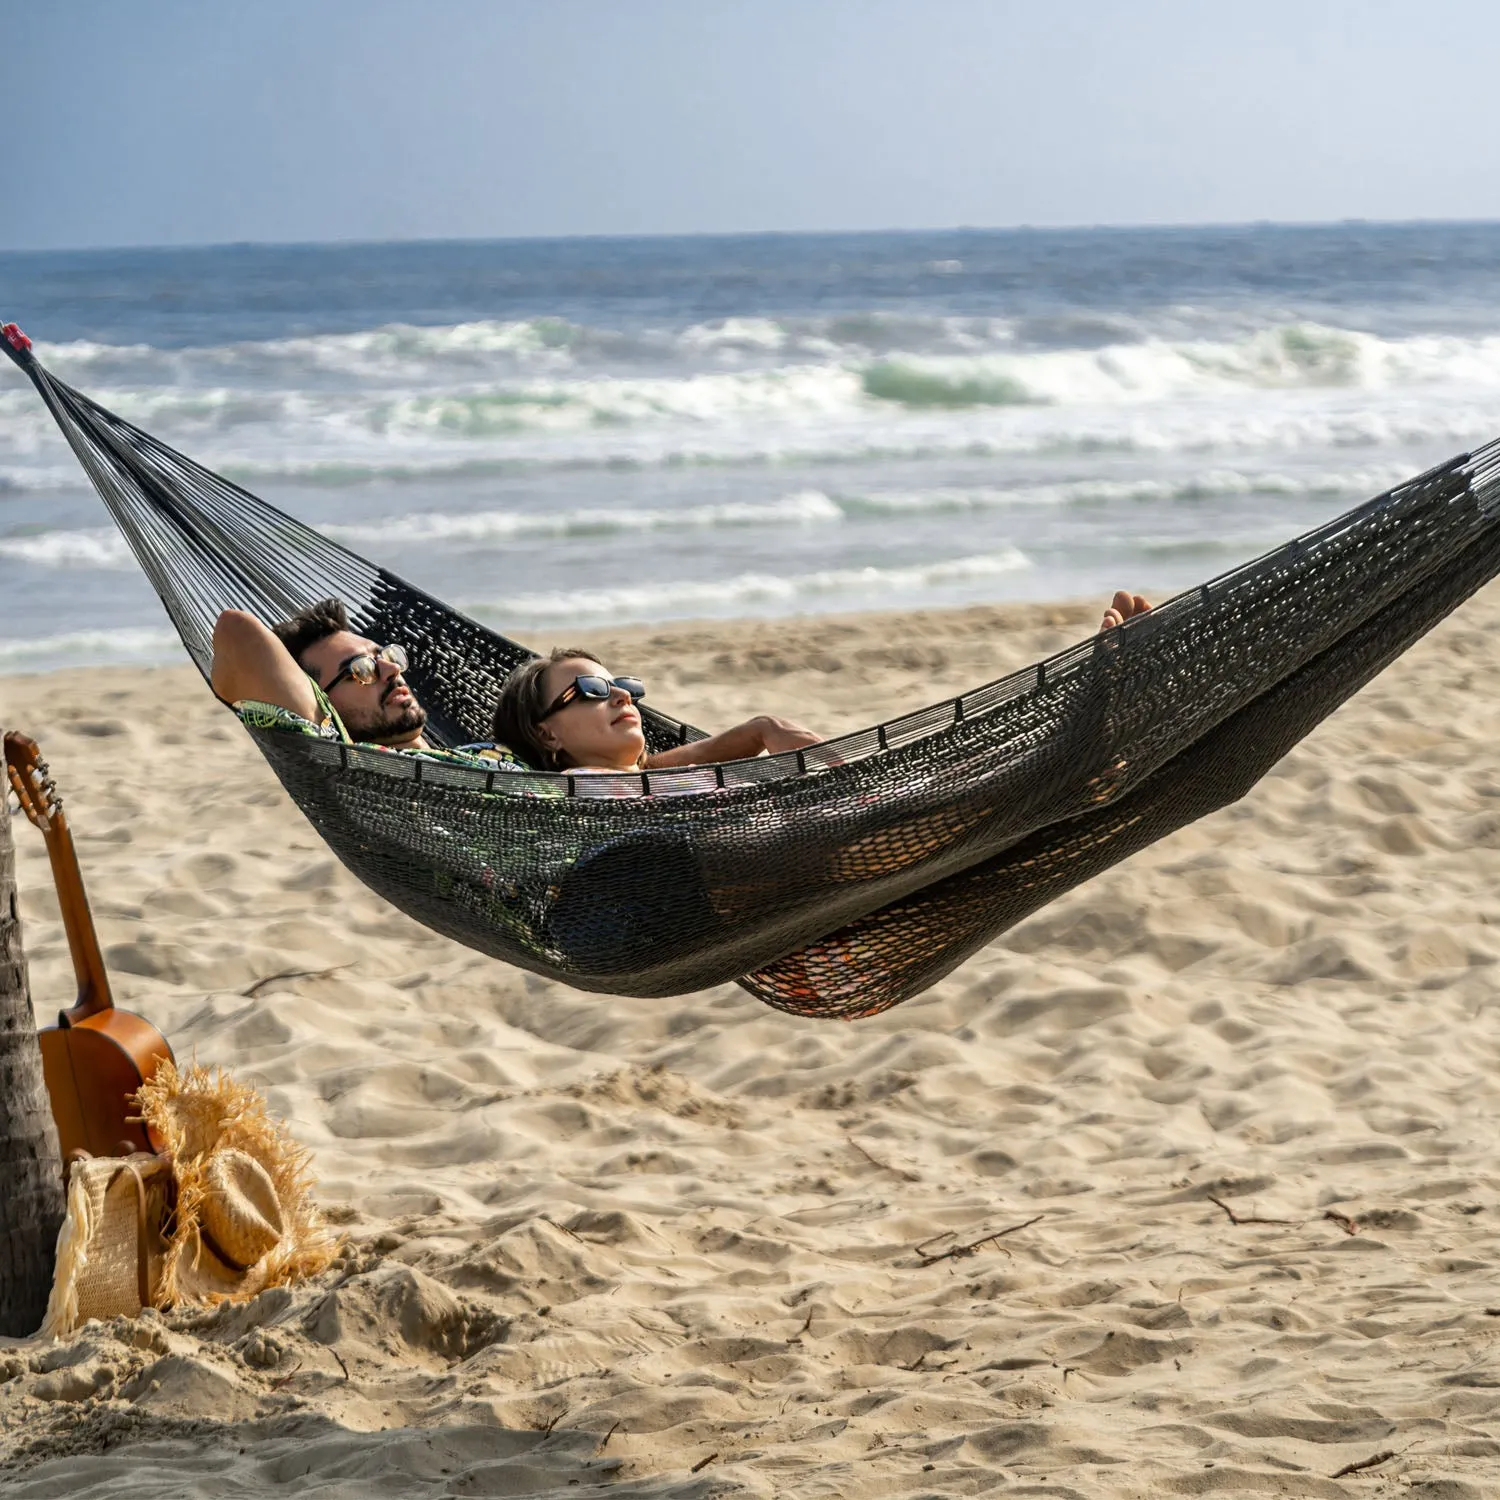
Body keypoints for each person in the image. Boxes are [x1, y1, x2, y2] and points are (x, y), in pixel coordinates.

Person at [491, 590, 1154, 776]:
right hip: (807, 866)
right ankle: (1100, 704)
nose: (624, 697)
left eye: (624, 684)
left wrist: (761, 729)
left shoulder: (652, 771)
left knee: (991, 772)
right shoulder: (578, 795)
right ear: (547, 733)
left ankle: (1099, 712)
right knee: (1007, 776)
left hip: (835, 830)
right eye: (593, 691)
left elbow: (685, 758)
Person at [210, 599, 521, 769]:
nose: (391, 669)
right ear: (322, 703)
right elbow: (236, 630)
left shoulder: (480, 750)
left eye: (384, 656)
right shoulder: (380, 777)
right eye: (361, 670)